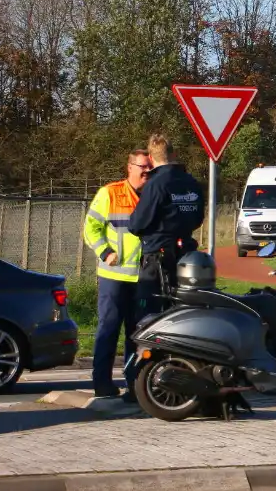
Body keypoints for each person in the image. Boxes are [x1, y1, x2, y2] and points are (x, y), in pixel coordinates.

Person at [81, 150, 152, 398]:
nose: (146, 172)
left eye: (150, 168)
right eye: (142, 167)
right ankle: (102, 383)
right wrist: (105, 252)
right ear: (129, 167)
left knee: (138, 334)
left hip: (143, 278)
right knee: (108, 329)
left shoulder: (153, 194)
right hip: (114, 276)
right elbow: (91, 227)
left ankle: (135, 384)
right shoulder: (110, 193)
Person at [130, 134, 206, 321]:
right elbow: (198, 218)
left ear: (150, 157)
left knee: (149, 314)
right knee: (184, 310)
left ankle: (151, 349)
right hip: (187, 254)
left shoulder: (155, 184)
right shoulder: (191, 182)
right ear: (174, 154)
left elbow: (137, 223)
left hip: (157, 257)